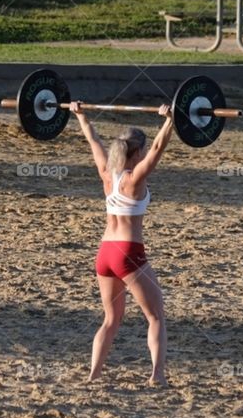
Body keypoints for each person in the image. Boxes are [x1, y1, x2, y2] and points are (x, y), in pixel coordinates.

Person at [72, 101, 173, 385]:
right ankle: (157, 375)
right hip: (128, 253)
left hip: (105, 253)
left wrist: (80, 114)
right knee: (155, 316)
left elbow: (92, 138)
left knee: (110, 319)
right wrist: (170, 122)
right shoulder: (134, 180)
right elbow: (157, 151)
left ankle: (93, 375)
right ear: (136, 152)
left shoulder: (107, 174)